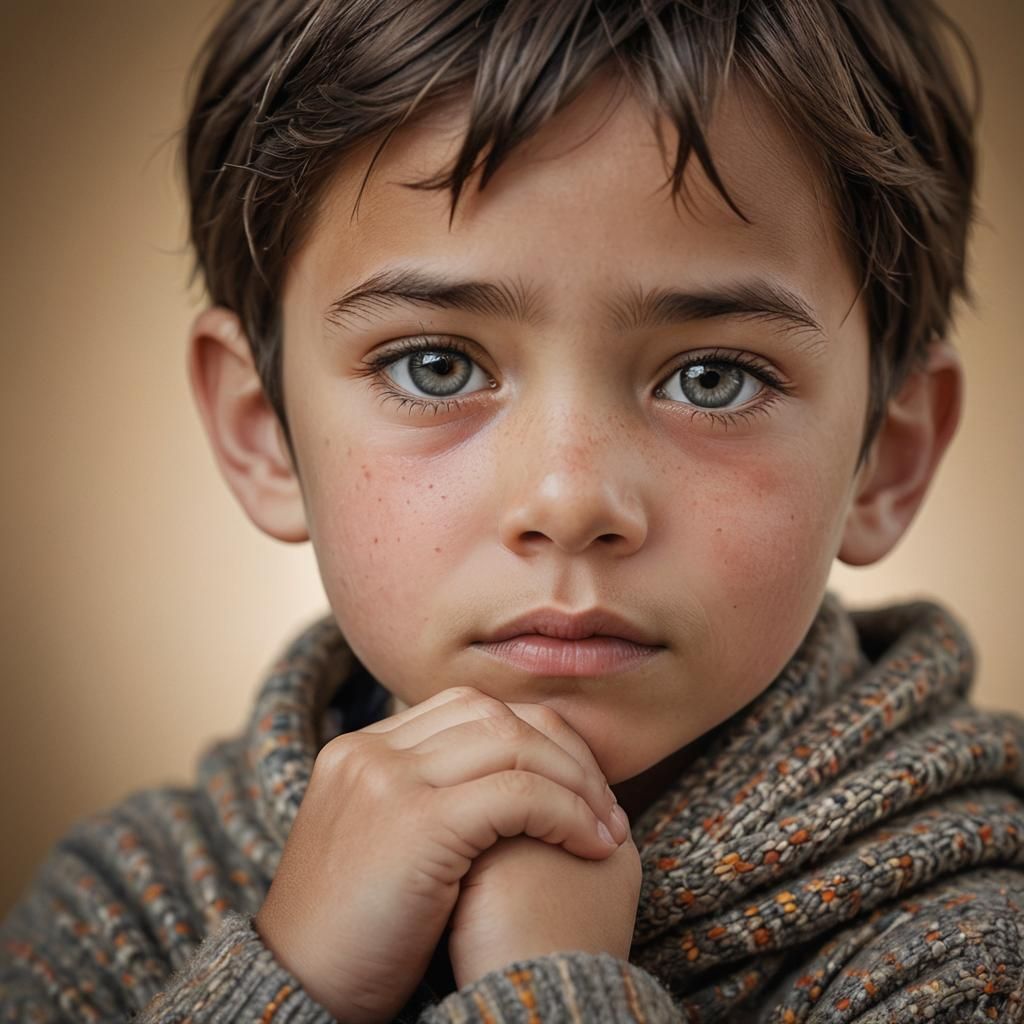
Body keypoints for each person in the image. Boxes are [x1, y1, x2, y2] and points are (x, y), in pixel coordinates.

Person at [3, 0, 1023, 1020]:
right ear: (261, 427)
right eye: (437, 365)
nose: (570, 500)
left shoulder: (976, 963)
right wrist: (284, 983)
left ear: (883, 457)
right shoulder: (124, 916)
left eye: (713, 378)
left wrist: (544, 992)